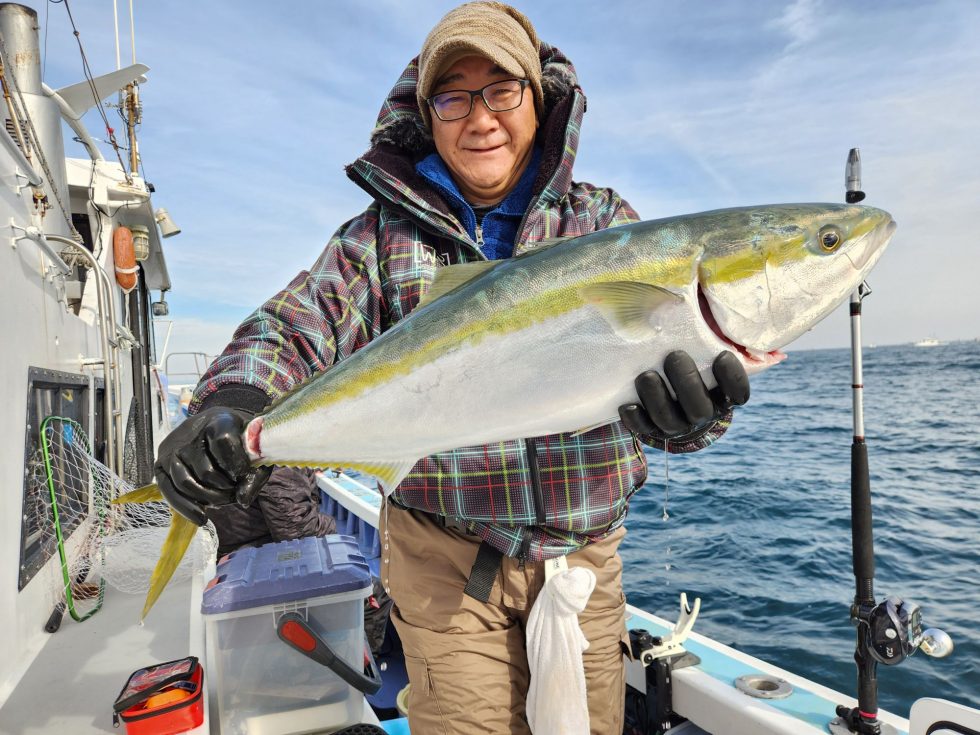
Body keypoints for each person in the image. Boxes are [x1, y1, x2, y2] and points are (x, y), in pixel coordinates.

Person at [154, 3, 750, 733]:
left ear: (538, 100)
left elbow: (668, 382)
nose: (481, 118)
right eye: (453, 97)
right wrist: (236, 397)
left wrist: (694, 418)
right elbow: (298, 321)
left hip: (584, 568)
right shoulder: (381, 240)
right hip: (445, 569)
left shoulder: (602, 225)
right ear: (427, 115)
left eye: (502, 90)